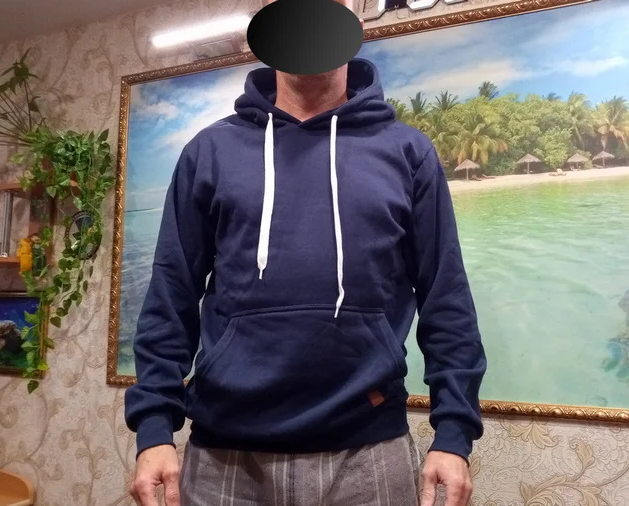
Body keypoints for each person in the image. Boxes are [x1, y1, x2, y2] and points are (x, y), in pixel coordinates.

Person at [126, 1, 486, 504]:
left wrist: (453, 434)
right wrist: (154, 429)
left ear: (356, 18)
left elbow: (445, 297)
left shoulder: (408, 152)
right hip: (226, 453)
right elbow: (171, 296)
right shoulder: (208, 152)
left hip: (370, 449)